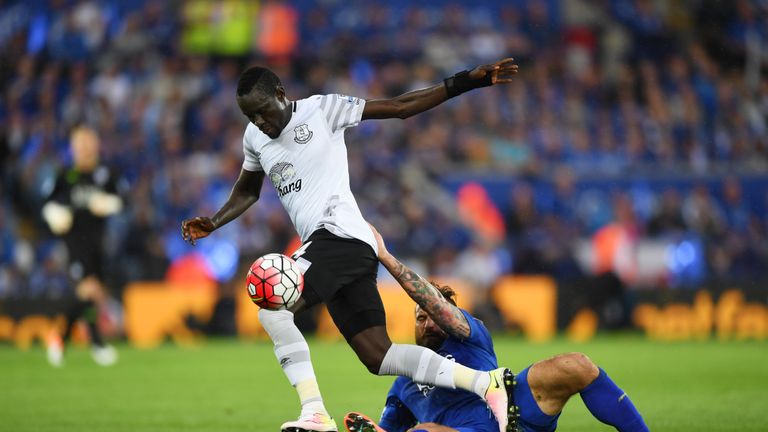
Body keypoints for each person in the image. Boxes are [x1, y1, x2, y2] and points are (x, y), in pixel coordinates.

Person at [181, 59, 519, 432]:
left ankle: (314, 412)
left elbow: (400, 107)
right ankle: (485, 382)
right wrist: (213, 221)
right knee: (379, 355)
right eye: (250, 116)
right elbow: (248, 191)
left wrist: (462, 83)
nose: (259, 122)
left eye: (262, 112)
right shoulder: (254, 138)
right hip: (342, 249)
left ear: (281, 94)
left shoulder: (321, 109)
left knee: (272, 307)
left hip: (340, 233)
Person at [343, 226, 649, 432]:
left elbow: (441, 311)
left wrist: (387, 258)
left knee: (576, 365)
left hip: (511, 418)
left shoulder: (469, 334)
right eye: (420, 318)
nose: (429, 322)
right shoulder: (404, 381)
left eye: (434, 315)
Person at [42, 126, 124, 367]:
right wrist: (55, 214)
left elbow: (123, 200)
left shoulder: (105, 173)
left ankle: (68, 338)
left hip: (98, 242)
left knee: (92, 294)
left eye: (90, 143)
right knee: (89, 289)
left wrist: (109, 203)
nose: (86, 148)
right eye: (81, 144)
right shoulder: (65, 174)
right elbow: (47, 203)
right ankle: (88, 342)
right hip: (74, 242)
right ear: (74, 148)